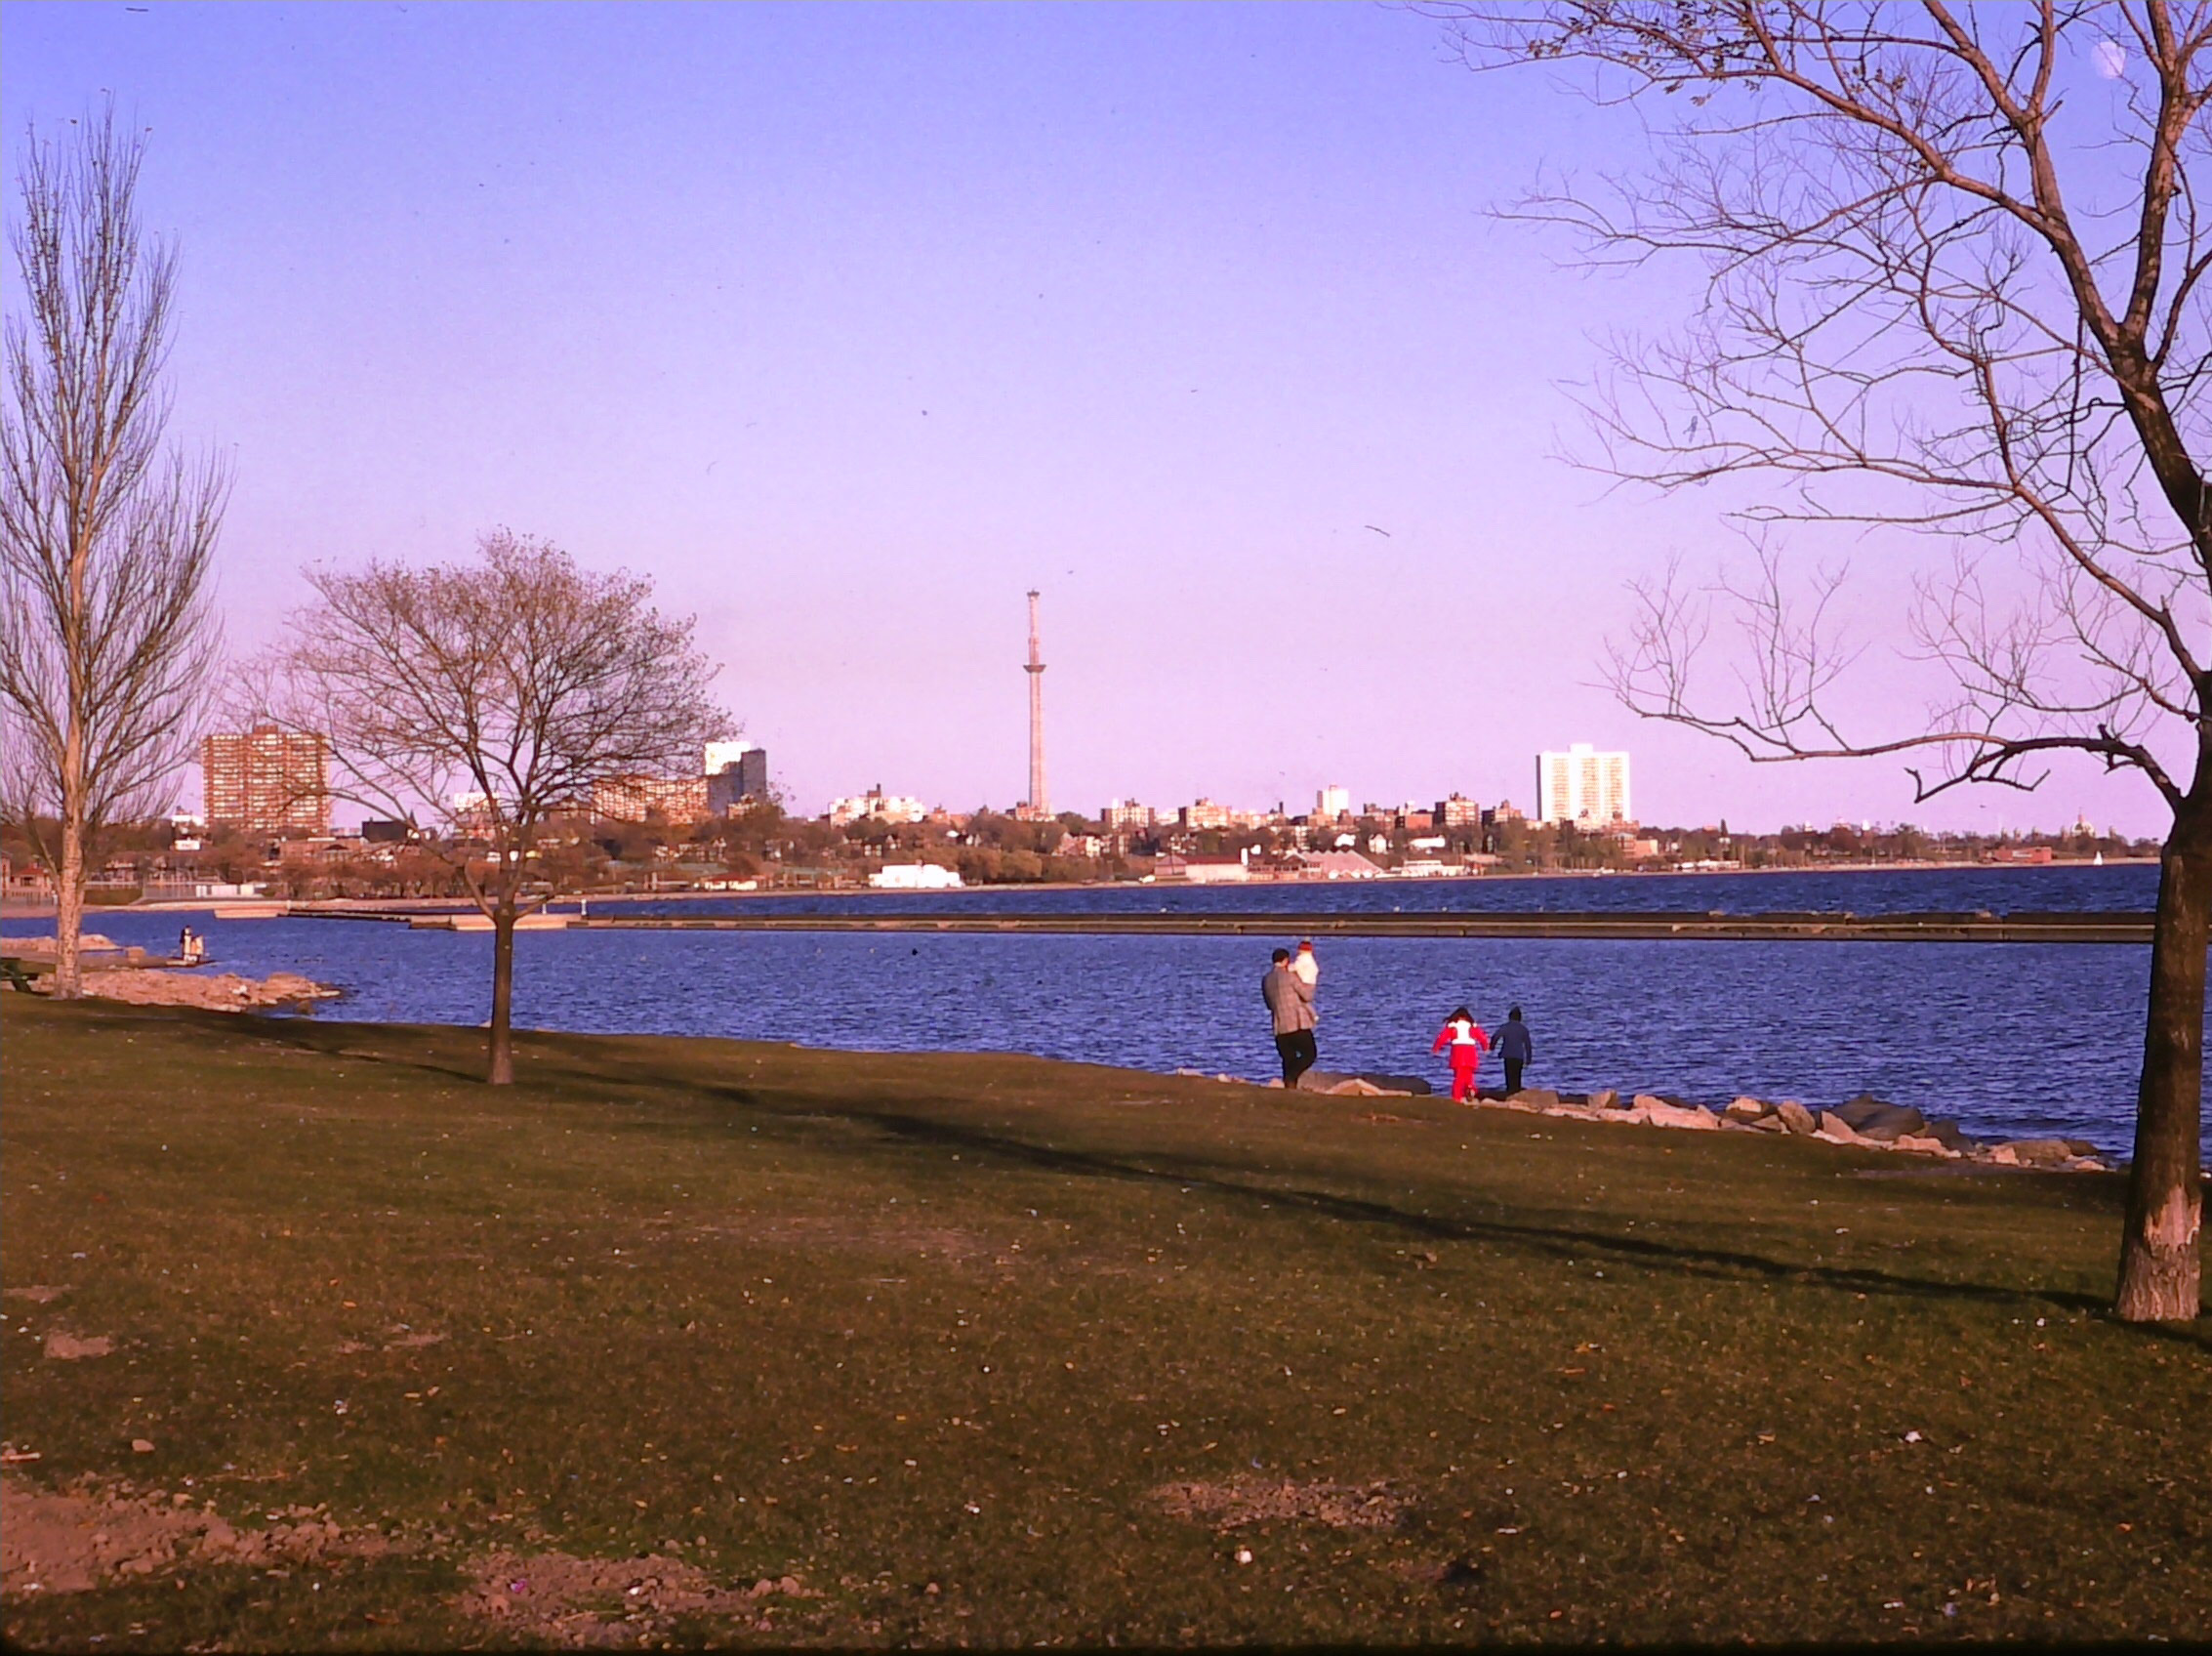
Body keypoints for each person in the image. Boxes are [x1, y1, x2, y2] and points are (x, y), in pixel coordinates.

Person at [1262, 946, 1318, 1089]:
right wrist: (1311, 983)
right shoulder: (1290, 977)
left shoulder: (1266, 980)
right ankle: (1291, 1078)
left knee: (1288, 1058)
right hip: (1297, 1023)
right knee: (1309, 1054)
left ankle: (1290, 1086)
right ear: (1286, 960)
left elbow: (1269, 1004)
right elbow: (1307, 995)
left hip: (1279, 1025)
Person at [1430, 1005, 1490, 1103]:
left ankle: (1457, 1098)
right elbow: (1482, 1037)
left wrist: (1436, 1049)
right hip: (1471, 1054)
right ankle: (1471, 1089)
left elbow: (1442, 1038)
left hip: (1458, 1054)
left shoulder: (1452, 1026)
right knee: (1469, 1077)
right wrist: (1485, 1048)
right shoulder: (1472, 1025)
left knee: (1459, 1078)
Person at [1495, 1005, 1534, 1096]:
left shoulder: (1506, 1027)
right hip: (1518, 1056)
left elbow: (1496, 1036)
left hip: (1508, 1055)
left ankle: (1509, 1092)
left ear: (1509, 1017)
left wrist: (1492, 1047)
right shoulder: (1523, 1029)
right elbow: (1528, 1045)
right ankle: (1516, 1093)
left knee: (1509, 1076)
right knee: (1517, 1077)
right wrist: (1528, 1058)